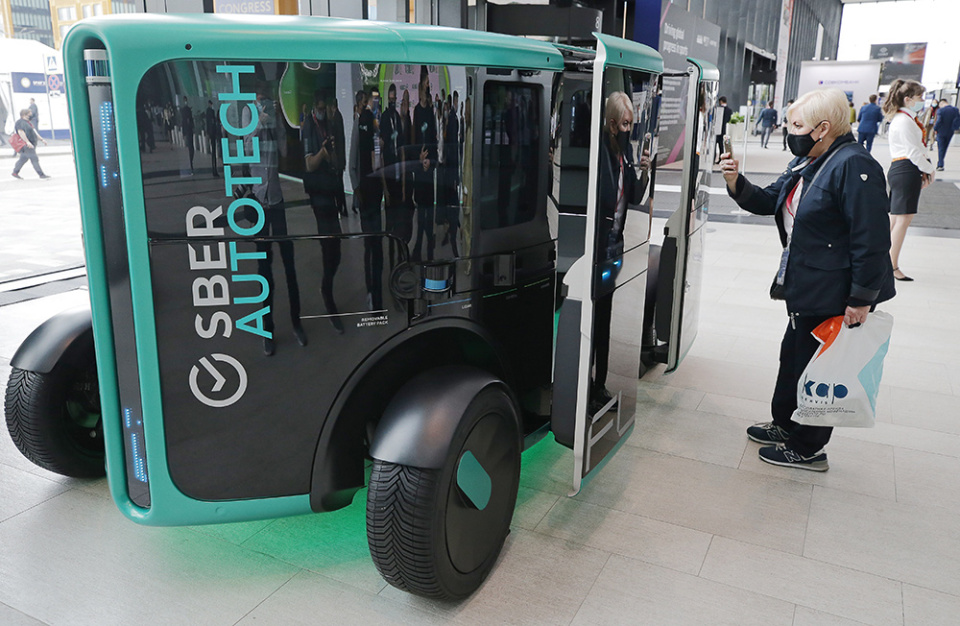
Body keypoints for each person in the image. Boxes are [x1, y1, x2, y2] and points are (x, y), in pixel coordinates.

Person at [719, 87, 895, 471]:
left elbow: (871, 239)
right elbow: (769, 201)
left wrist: (861, 298)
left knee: (819, 369)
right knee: (794, 358)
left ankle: (808, 447)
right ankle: (786, 424)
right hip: (806, 284)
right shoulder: (810, 160)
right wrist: (735, 181)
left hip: (833, 291)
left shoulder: (854, 165)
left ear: (823, 128)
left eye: (797, 125)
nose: (790, 132)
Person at [243, 82, 305, 355]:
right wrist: (259, 122)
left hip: (277, 199)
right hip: (259, 199)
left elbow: (284, 151)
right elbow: (246, 148)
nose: (265, 99)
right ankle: (267, 330)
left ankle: (296, 322)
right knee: (264, 268)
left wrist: (278, 122)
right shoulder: (248, 112)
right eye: (262, 96)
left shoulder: (273, 115)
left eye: (267, 96)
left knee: (289, 264)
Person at [883, 79, 935, 282]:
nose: (922, 100)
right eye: (919, 97)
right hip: (906, 169)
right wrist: (929, 169)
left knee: (896, 219)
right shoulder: (904, 121)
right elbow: (914, 152)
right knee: (902, 221)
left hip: (903, 169)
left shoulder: (904, 119)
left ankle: (884, 262)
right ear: (907, 99)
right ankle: (892, 265)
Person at [303, 91, 345, 333]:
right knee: (328, 247)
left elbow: (335, 160)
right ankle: (327, 293)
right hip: (318, 196)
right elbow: (309, 164)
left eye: (325, 108)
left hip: (330, 194)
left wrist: (332, 154)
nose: (323, 112)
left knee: (336, 250)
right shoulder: (308, 127)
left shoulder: (329, 125)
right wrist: (322, 153)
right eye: (320, 108)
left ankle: (326, 287)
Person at [11, 109, 49, 179]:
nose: (31, 115)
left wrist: (42, 139)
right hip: (27, 145)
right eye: (29, 114)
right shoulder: (20, 122)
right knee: (34, 159)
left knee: (23, 158)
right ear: (24, 115)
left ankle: (15, 172)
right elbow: (21, 132)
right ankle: (41, 174)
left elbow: (35, 132)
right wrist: (27, 142)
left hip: (31, 143)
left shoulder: (28, 122)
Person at [933, 98, 960, 171]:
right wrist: (955, 128)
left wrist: (935, 128)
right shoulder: (955, 110)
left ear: (941, 103)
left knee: (941, 148)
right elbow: (958, 120)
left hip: (941, 131)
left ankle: (940, 164)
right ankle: (941, 162)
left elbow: (939, 121)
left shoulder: (940, 110)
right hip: (950, 131)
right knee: (945, 147)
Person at [714, 95, 732, 164]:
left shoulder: (718, 109)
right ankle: (721, 158)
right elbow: (728, 120)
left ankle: (714, 158)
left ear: (721, 101)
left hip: (717, 128)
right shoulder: (729, 110)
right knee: (721, 145)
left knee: (715, 144)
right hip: (723, 129)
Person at [205, 99, 220, 177]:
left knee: (213, 151)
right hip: (213, 133)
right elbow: (212, 123)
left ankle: (214, 169)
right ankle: (214, 169)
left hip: (211, 133)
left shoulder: (208, 112)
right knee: (214, 150)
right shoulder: (211, 112)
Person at [180, 97, 195, 173]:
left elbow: (184, 122)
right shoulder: (186, 110)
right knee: (190, 147)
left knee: (190, 147)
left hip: (188, 131)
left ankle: (190, 161)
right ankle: (190, 162)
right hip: (188, 131)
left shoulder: (185, 110)